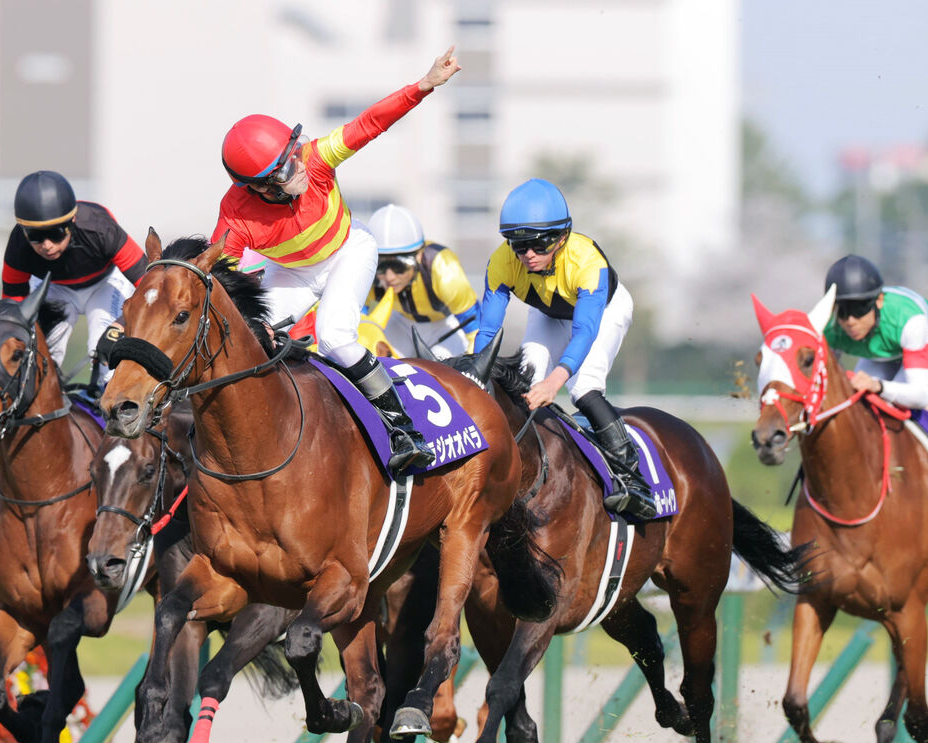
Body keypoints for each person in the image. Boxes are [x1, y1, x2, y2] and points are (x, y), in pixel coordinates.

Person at [212, 48, 462, 475]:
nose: (298, 166)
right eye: (283, 169)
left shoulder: (316, 157)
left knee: (335, 339)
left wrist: (423, 86)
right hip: (291, 273)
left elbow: (370, 123)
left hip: (349, 251)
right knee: (248, 341)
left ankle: (404, 430)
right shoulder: (235, 215)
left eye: (293, 152)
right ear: (257, 188)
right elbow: (220, 280)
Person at [472, 178, 656, 520]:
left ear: (561, 237)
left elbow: (584, 333)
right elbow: (487, 331)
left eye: (539, 243)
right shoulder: (501, 262)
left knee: (582, 388)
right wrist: (475, 378)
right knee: (523, 386)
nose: (528, 254)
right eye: (519, 245)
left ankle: (634, 479)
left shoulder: (587, 261)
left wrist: (553, 383)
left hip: (602, 313)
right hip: (548, 312)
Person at [821, 253, 928, 491]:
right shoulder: (831, 330)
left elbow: (919, 395)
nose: (851, 321)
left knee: (899, 399)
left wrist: (879, 386)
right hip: (881, 351)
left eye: (859, 309)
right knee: (858, 401)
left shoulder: (909, 321)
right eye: (842, 311)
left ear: (878, 301)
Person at [1, 170, 147, 395]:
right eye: (36, 236)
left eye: (56, 233)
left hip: (104, 284)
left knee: (103, 345)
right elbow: (13, 307)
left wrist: (120, 325)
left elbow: (150, 286)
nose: (47, 245)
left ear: (72, 221)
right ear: (24, 231)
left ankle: (113, 403)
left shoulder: (99, 227)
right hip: (56, 288)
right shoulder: (18, 244)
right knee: (41, 354)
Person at [365, 204, 480, 359]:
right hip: (402, 324)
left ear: (419, 256)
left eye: (399, 266)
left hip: (447, 327)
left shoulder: (442, 267)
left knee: (438, 367)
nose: (389, 277)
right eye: (381, 266)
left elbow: (474, 324)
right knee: (377, 358)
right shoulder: (369, 273)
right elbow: (360, 321)